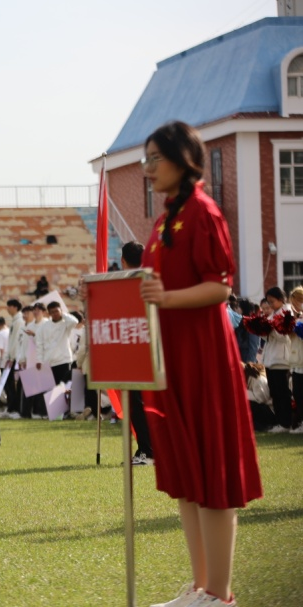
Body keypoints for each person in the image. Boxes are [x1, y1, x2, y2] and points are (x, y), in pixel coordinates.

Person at [138, 121, 261, 607]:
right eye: (145, 159)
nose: (148, 169)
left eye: (155, 159)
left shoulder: (204, 212)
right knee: (187, 477)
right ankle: (200, 587)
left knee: (212, 474)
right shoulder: (164, 220)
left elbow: (220, 286)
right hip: (170, 358)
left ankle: (219, 593)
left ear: (183, 160)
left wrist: (166, 298)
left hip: (204, 357)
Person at [121, 240, 155, 464]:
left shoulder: (123, 285)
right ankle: (148, 449)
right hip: (152, 352)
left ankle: (147, 451)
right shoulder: (152, 281)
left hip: (136, 354)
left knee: (137, 403)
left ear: (123, 261)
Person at [261, 286, 294, 433]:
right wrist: (262, 330)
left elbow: (285, 337)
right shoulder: (273, 313)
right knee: (274, 392)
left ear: (281, 299)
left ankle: (285, 423)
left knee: (282, 393)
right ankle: (279, 421)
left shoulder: (287, 313)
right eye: (268, 302)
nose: (270, 305)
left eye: (272, 301)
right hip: (270, 359)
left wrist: (272, 329)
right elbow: (267, 337)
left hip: (281, 359)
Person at [34, 301, 78, 386]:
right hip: (49, 362)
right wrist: (39, 360)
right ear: (49, 313)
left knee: (64, 388)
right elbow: (39, 345)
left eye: (56, 311)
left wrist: (63, 314)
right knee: (52, 389)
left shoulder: (66, 324)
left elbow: (74, 322)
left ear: (61, 310)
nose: (55, 314)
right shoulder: (43, 327)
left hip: (63, 361)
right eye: (52, 312)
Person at [0, 299, 24, 419]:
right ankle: (11, 407)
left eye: (9, 307)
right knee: (8, 385)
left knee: (13, 385)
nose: (7, 309)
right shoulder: (15, 320)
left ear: (15, 307)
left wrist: (12, 357)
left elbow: (16, 341)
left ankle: (15, 408)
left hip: (15, 358)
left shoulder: (19, 321)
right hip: (11, 357)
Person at [244, 363, 275, 432]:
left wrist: (243, 392)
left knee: (249, 405)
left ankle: (262, 426)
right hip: (266, 410)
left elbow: (261, 399)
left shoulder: (257, 379)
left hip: (270, 412)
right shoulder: (251, 379)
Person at [289, 286, 303, 434]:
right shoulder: (295, 317)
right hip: (296, 360)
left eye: (297, 302)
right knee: (298, 393)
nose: (295, 306)